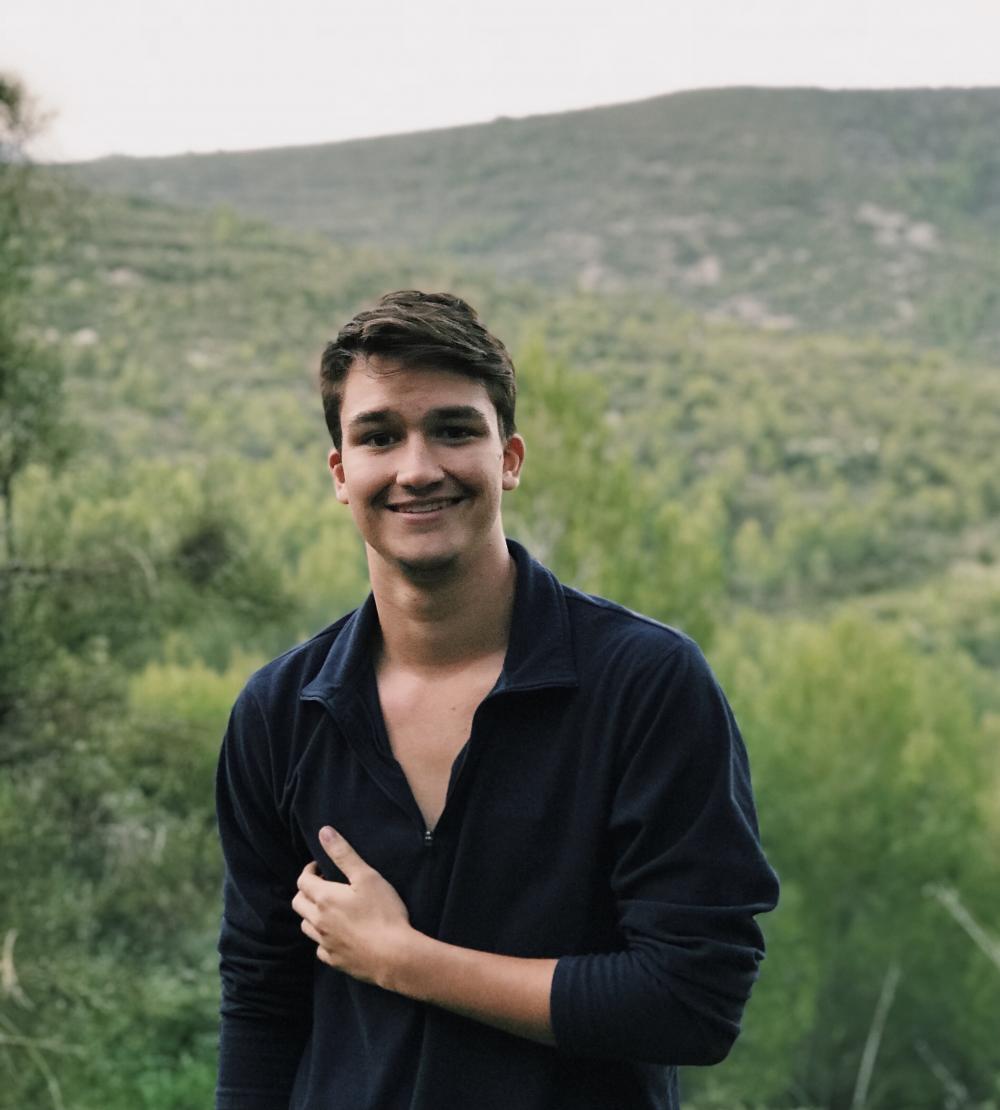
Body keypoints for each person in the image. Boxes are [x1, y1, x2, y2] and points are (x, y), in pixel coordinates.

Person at [215, 290, 779, 1110]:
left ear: (508, 457)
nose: (417, 468)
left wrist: (406, 961)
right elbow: (261, 1005)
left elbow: (694, 1001)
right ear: (342, 473)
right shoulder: (278, 714)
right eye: (379, 437)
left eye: (453, 429)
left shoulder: (646, 685)